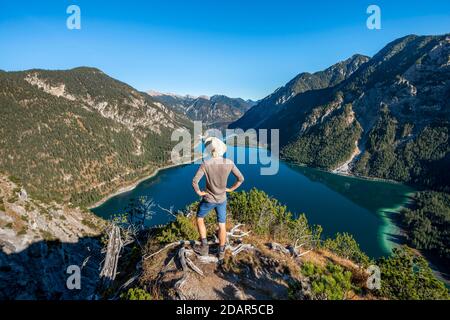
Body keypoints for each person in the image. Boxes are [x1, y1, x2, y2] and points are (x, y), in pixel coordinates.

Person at [192, 137, 244, 262]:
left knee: (199, 218)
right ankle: (221, 252)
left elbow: (194, 181)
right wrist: (230, 189)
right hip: (222, 199)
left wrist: (200, 192)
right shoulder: (229, 163)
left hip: (209, 199)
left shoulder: (206, 164)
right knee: (222, 225)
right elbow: (241, 179)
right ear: (221, 150)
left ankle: (204, 247)